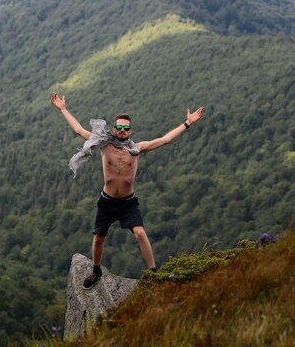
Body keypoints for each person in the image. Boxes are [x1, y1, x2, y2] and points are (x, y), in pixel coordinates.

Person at [51, 92, 205, 289]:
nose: (122, 130)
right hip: (107, 200)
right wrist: (63, 109)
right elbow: (78, 130)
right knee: (99, 237)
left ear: (131, 131)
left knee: (140, 233)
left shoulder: (138, 149)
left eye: (126, 128)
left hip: (128, 202)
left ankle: (153, 274)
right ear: (114, 128)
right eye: (119, 127)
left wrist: (187, 123)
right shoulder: (104, 144)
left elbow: (166, 139)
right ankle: (96, 270)